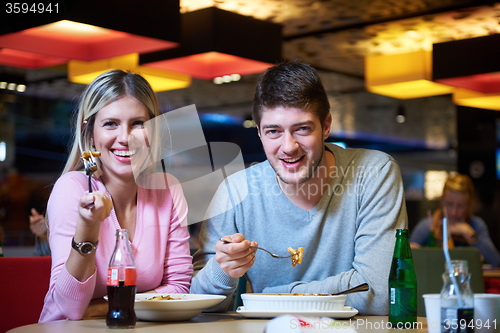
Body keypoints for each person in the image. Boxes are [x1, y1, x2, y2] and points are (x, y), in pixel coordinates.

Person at [190, 61, 407, 315]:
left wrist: (269, 297)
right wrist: (222, 271)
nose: (289, 146)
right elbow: (199, 303)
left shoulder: (374, 173)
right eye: (273, 131)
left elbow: (379, 293)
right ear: (259, 133)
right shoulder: (235, 191)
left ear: (326, 126)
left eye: (302, 128)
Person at [40, 70, 193, 322]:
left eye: (137, 124)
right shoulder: (72, 188)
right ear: (90, 132)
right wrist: (88, 229)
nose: (124, 138)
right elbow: (72, 309)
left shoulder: (167, 189)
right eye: (111, 123)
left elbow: (178, 289)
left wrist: (101, 307)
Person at [410, 173, 500, 267]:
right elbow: (408, 258)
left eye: (460, 206)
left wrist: (470, 234)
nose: (454, 212)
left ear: (469, 205)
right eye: (449, 204)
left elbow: (496, 261)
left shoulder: (476, 225)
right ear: (442, 200)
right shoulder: (428, 225)